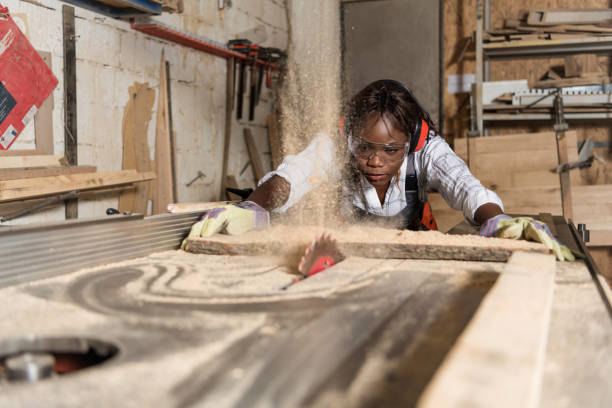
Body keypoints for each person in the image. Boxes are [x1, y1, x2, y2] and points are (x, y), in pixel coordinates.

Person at [183, 79, 573, 261]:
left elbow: (466, 188)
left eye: (390, 150)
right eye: (364, 148)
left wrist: (497, 221)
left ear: (412, 141)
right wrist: (254, 207)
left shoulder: (429, 151)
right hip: (349, 253)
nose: (375, 160)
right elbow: (294, 175)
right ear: (348, 136)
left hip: (420, 255)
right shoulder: (335, 146)